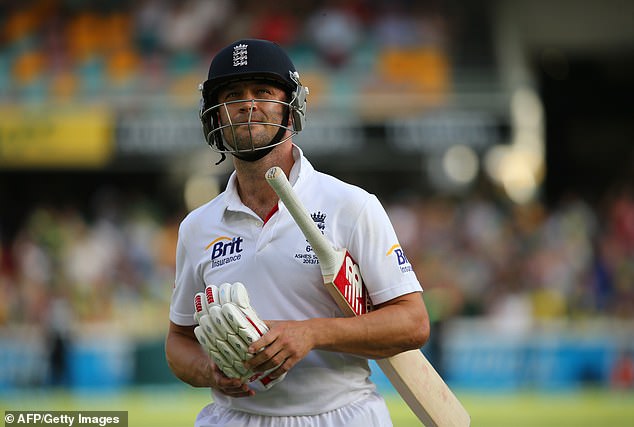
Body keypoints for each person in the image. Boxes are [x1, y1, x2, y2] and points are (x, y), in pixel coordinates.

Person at [165, 38, 430, 427]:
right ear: (215, 116)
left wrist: (310, 334)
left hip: (340, 415)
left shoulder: (350, 205)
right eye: (233, 94)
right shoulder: (197, 227)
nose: (248, 104)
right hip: (236, 416)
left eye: (264, 91)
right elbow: (178, 342)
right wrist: (212, 371)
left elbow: (413, 323)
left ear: (291, 110)